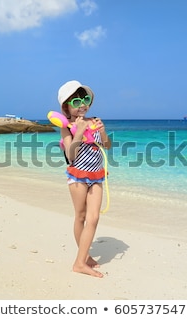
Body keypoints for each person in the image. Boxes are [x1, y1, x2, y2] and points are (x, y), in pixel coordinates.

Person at [58, 80, 111, 278]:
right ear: (66, 106)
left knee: (94, 217)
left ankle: (81, 260)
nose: (82, 104)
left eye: (85, 99)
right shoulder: (67, 127)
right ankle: (82, 260)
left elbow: (107, 146)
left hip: (97, 175)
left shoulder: (94, 120)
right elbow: (71, 155)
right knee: (80, 216)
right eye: (76, 100)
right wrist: (79, 132)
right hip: (78, 176)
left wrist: (103, 131)